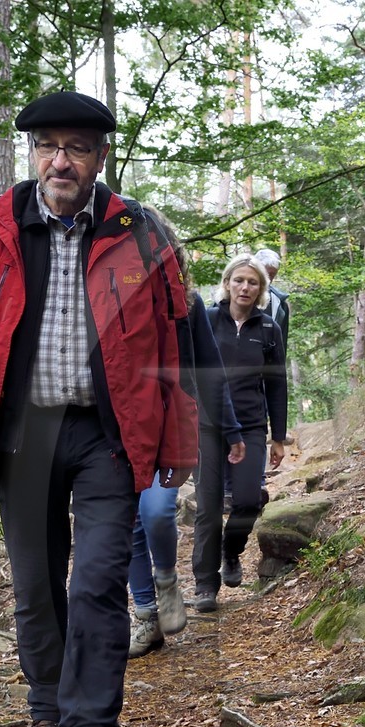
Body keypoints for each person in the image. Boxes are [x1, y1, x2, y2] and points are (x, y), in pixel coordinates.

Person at [0, 90, 196, 727]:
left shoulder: (142, 235)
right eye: (48, 146)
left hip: (108, 433)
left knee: (98, 581)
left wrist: (181, 437)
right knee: (37, 587)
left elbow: (179, 346)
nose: (60, 160)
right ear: (33, 154)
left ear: (101, 156)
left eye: (76, 147)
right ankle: (47, 717)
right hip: (24, 431)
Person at [127, 211, 246, 656]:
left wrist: (232, 429)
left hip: (173, 422)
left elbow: (210, 370)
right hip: (121, 423)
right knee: (127, 518)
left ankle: (165, 580)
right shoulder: (104, 296)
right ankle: (144, 614)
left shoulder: (188, 304)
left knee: (156, 512)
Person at [191, 253, 287, 612]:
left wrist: (278, 436)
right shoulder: (207, 319)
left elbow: (277, 386)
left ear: (261, 289)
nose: (245, 287)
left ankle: (231, 551)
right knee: (209, 504)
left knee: (247, 500)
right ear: (228, 283)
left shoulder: (267, 329)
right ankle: (204, 584)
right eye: (239, 280)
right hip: (207, 426)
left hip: (249, 424)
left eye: (253, 282)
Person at [253, 247, 289, 342]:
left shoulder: (279, 304)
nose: (268, 280)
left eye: (272, 275)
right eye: (265, 274)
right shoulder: (234, 297)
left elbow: (281, 342)